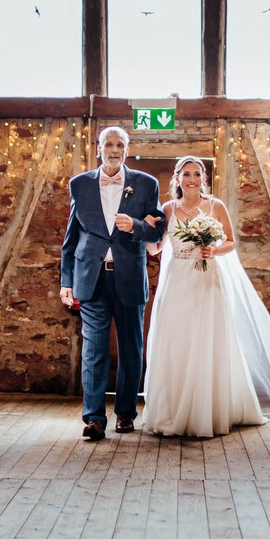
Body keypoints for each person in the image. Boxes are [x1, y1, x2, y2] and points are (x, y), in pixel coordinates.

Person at [142, 155, 270, 438]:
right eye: (186, 174)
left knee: (207, 339)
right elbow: (155, 250)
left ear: (202, 179)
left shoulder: (214, 206)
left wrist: (213, 250)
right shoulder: (167, 209)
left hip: (207, 280)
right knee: (176, 341)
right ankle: (172, 408)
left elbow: (230, 241)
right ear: (177, 178)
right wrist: (145, 229)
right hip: (177, 280)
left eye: (196, 174)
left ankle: (209, 409)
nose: (191, 179)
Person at [59, 126, 165, 440]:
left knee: (132, 348)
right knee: (93, 349)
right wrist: (66, 281)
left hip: (129, 275)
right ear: (99, 148)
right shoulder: (79, 184)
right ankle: (93, 419)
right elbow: (71, 237)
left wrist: (134, 225)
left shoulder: (146, 184)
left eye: (120, 144)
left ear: (126, 149)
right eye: (109, 144)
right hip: (90, 277)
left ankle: (125, 413)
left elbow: (158, 231)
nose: (114, 149)